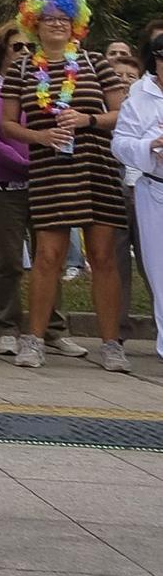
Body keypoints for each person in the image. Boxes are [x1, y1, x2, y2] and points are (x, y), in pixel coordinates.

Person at [1, 0, 129, 371]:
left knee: (104, 257)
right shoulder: (21, 69)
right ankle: (35, 340)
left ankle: (111, 345)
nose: (56, 24)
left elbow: (122, 115)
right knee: (48, 257)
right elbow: (7, 124)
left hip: (97, 170)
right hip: (50, 171)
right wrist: (39, 135)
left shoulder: (94, 63)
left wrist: (87, 119)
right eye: (48, 19)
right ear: (34, 24)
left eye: (63, 19)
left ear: (76, 25)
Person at [0, 25, 82, 358]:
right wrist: (25, 163)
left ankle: (52, 329)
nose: (24, 52)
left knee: (50, 258)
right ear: (0, 52)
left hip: (46, 182)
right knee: (7, 260)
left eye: (28, 47)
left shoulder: (45, 85)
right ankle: (6, 327)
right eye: (17, 46)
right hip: (3, 185)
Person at [112, 26, 163, 360]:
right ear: (156, 60)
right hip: (154, 192)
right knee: (161, 274)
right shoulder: (139, 96)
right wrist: (150, 146)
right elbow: (120, 143)